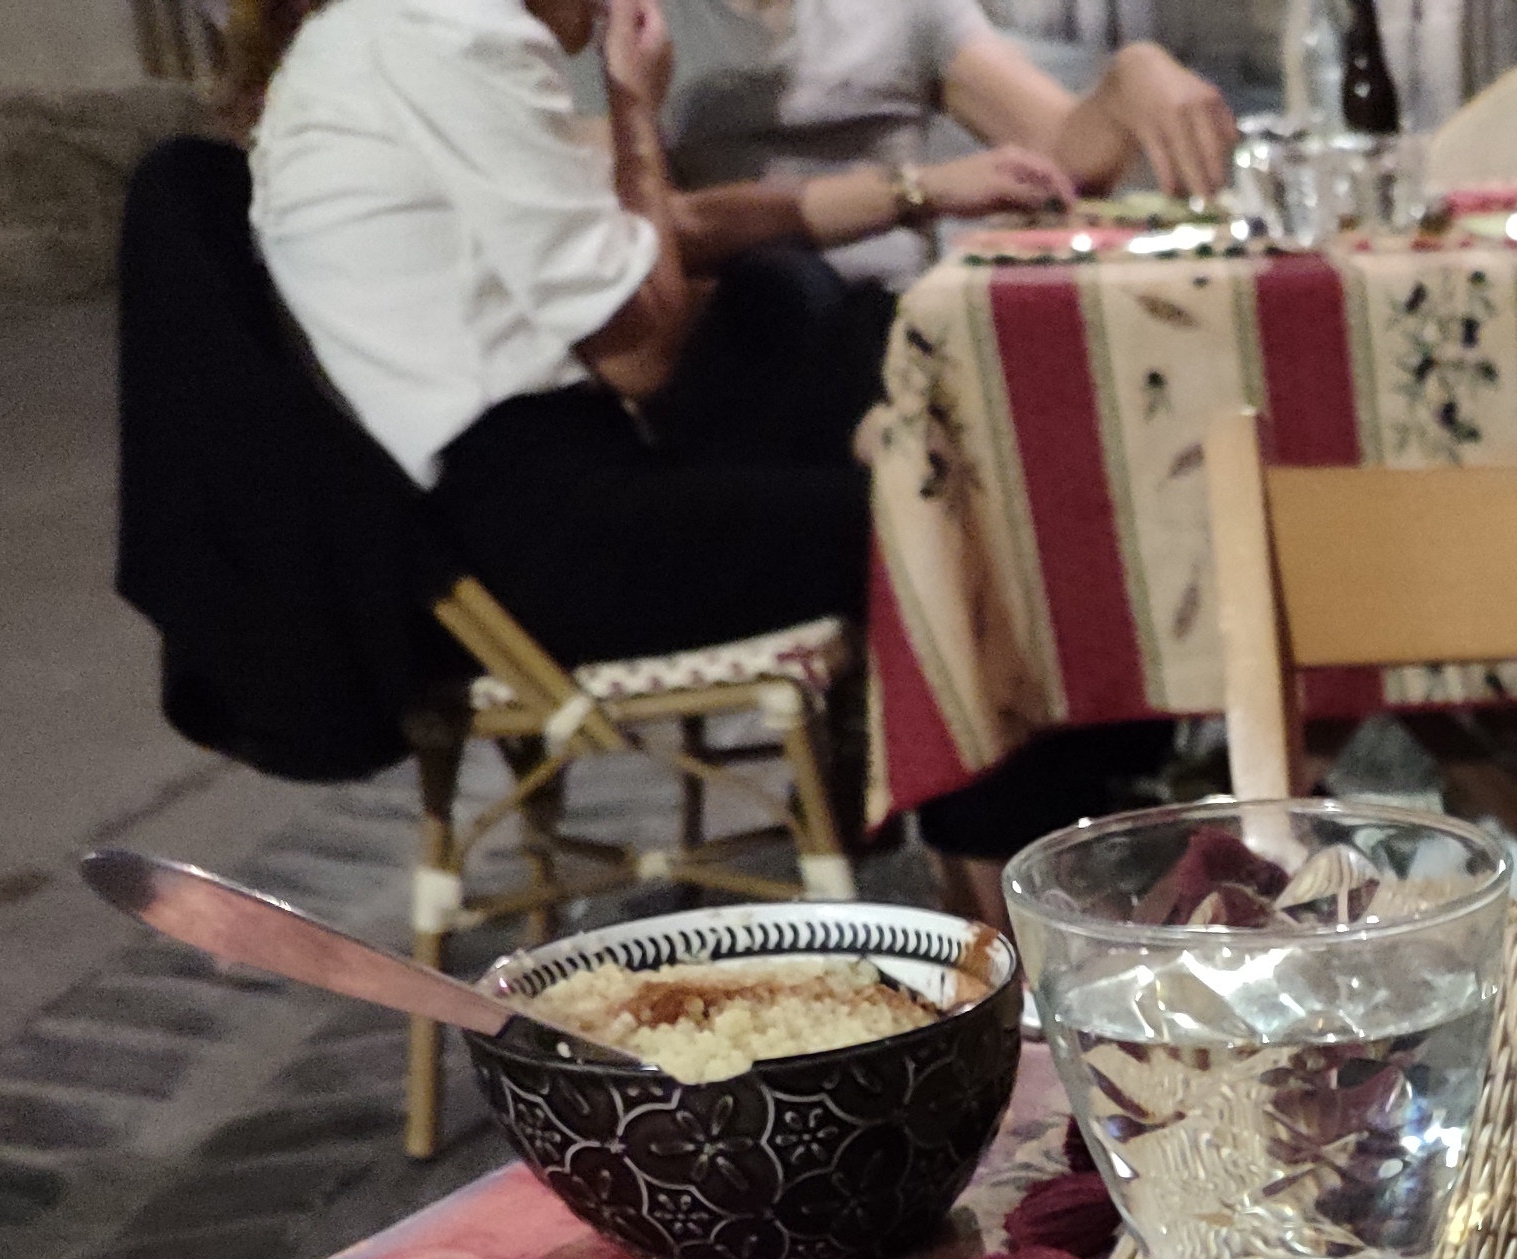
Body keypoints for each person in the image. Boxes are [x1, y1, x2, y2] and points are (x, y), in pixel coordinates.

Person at [241, 0, 1166, 861]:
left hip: (510, 511)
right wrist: (633, 108)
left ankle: (1036, 859)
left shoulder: (378, 36)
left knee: (925, 466)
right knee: (969, 526)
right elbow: (641, 351)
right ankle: (1038, 889)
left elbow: (637, 278)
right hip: (543, 533)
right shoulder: (454, 40)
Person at [664, 0, 1243, 293]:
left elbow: (1061, 159)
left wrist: (1131, 79)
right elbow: (655, 235)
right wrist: (918, 190)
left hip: (896, 325)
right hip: (729, 349)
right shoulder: (639, 22)